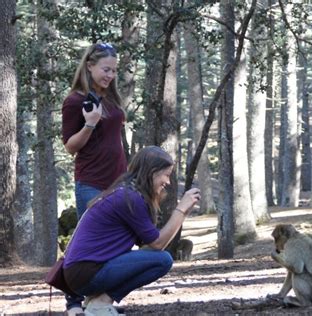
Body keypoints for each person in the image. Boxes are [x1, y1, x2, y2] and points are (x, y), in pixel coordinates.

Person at [63, 146, 201, 316]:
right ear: (152, 172)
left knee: (157, 257)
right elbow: (158, 244)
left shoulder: (127, 193)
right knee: (162, 260)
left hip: (82, 272)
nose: (168, 182)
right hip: (86, 272)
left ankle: (96, 303)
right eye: (166, 174)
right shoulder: (130, 198)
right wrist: (180, 210)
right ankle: (100, 304)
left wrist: (183, 212)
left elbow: (151, 243)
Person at [61, 42, 127, 314]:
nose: (110, 75)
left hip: (119, 182)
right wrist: (90, 123)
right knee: (85, 246)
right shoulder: (76, 100)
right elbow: (70, 146)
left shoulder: (111, 98)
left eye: (113, 71)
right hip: (91, 183)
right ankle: (73, 302)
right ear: (89, 66)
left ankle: (97, 301)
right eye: (105, 69)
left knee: (116, 242)